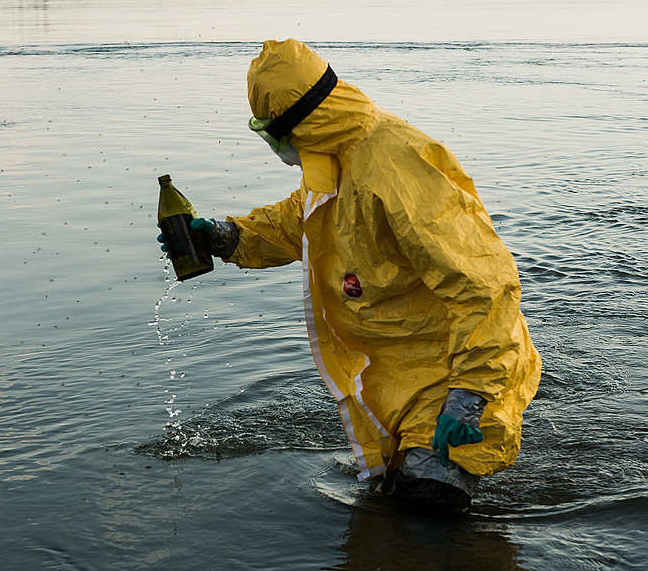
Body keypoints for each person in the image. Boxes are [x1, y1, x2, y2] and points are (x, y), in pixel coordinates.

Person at [159, 39, 541, 512]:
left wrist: (471, 393)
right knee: (393, 499)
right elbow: (301, 223)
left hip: (451, 370)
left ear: (296, 124)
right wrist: (224, 237)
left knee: (427, 509)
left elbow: (483, 285)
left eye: (271, 132)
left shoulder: (399, 164)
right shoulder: (334, 158)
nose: (275, 145)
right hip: (395, 371)